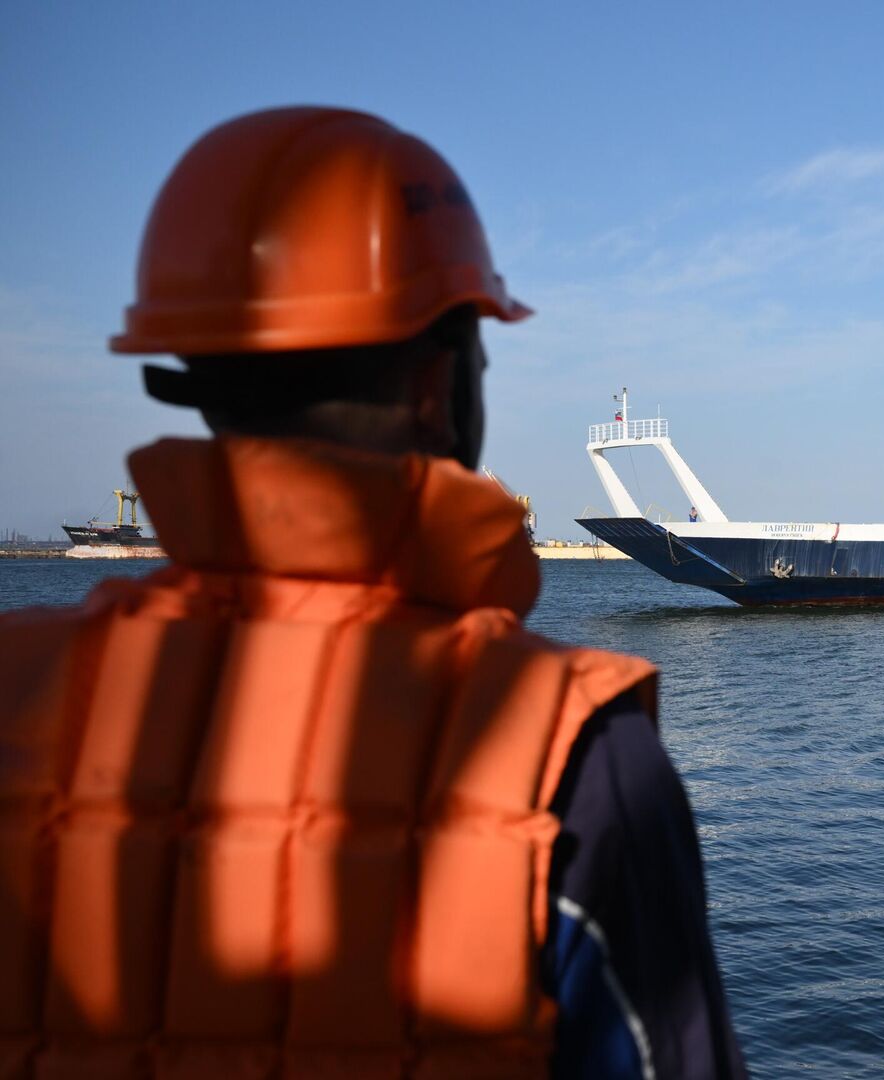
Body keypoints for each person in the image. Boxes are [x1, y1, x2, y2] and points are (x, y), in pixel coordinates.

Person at [0, 107, 745, 1078]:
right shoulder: (576, 759)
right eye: (479, 355)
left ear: (192, 374)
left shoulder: (17, 692)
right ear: (441, 389)